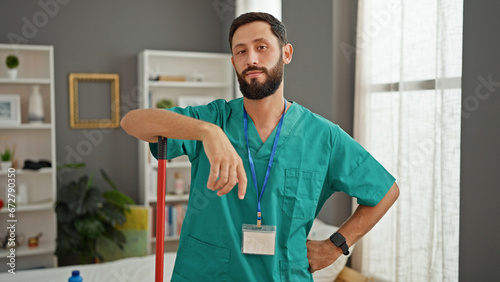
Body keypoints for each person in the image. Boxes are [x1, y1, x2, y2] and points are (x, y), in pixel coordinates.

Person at [121, 12, 399, 281]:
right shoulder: (214, 118)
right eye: (241, 51)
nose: (251, 59)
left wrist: (334, 246)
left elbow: (386, 191)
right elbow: (133, 121)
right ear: (233, 63)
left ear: (286, 54)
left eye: (261, 47)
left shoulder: (324, 136)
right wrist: (208, 133)